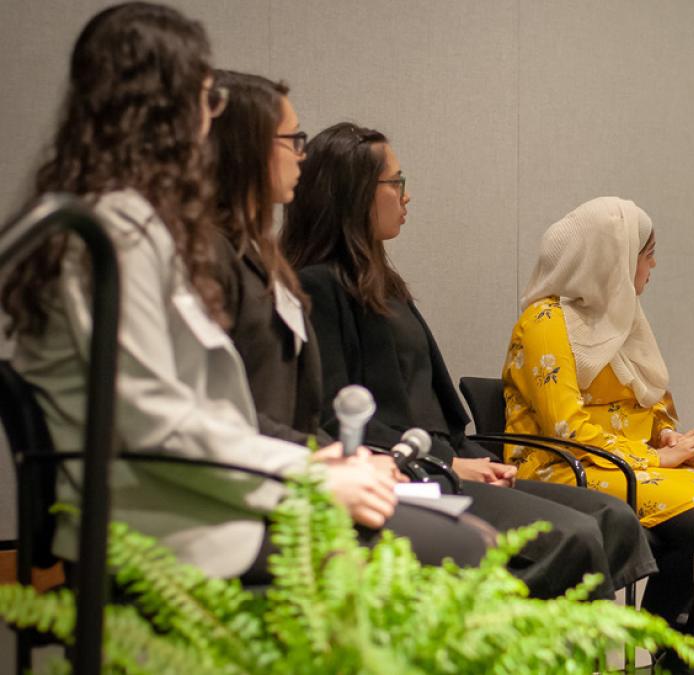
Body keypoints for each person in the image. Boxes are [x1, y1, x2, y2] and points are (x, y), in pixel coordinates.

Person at [0, 3, 484, 581]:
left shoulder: (128, 224)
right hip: (159, 517)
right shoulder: (113, 235)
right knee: (463, 547)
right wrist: (315, 475)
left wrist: (319, 460)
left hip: (180, 491)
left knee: (456, 535)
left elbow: (194, 410)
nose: (212, 119)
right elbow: (157, 424)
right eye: (206, 98)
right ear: (167, 108)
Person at [280, 123, 656, 601]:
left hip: (449, 462)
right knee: (576, 536)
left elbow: (435, 402)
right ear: (355, 193)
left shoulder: (386, 283)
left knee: (613, 518)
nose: (406, 195)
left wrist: (474, 457)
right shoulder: (318, 286)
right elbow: (341, 419)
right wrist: (450, 463)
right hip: (411, 473)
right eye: (395, 183)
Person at [205, 70, 491, 572]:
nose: (301, 153)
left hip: (296, 467)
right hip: (245, 490)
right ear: (246, 150)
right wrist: (327, 463)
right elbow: (234, 415)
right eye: (291, 139)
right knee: (479, 543)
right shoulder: (219, 262)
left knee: (572, 523)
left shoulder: (257, 257)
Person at [503, 195, 694, 634]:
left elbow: (651, 403)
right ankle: (661, 645)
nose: (653, 266)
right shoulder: (545, 321)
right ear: (613, 259)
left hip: (626, 463)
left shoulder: (623, 318)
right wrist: (655, 459)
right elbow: (566, 428)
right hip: (563, 468)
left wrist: (666, 437)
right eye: (647, 255)